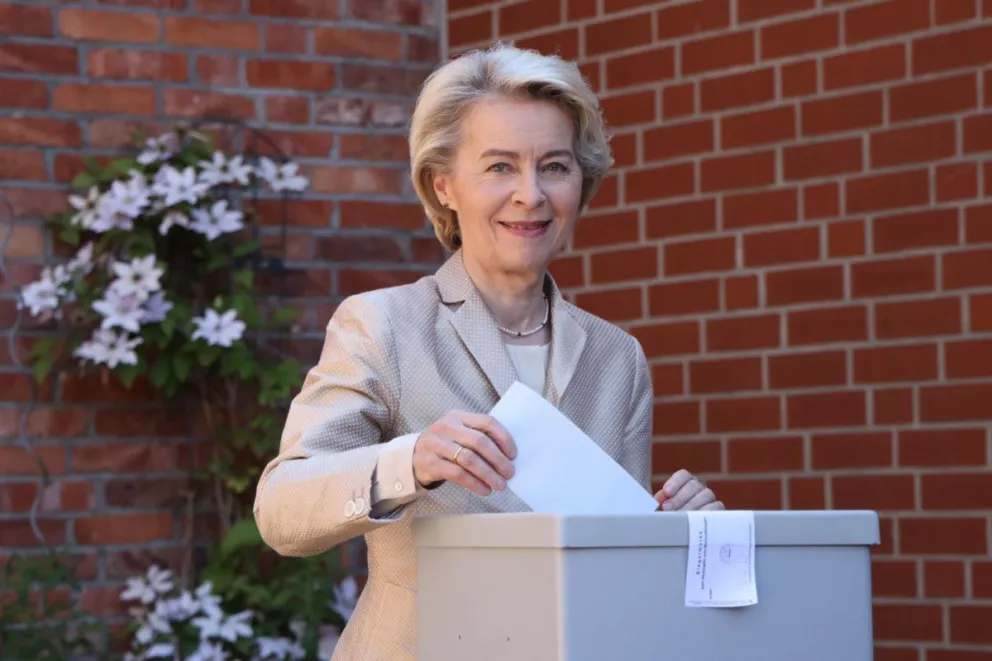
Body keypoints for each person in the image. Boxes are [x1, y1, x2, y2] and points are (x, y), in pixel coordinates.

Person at [252, 43, 724, 661]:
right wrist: (410, 461)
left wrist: (673, 531)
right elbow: (282, 512)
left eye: (554, 166)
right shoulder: (383, 324)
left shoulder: (618, 358)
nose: (530, 194)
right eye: (500, 166)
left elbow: (610, 562)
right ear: (443, 184)